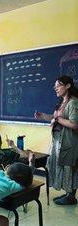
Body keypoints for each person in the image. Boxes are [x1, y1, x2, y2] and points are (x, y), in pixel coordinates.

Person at [35, 75, 78, 205]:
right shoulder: (62, 102)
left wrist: (58, 119)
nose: (56, 88)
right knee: (63, 167)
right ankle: (68, 193)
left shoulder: (73, 102)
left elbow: (74, 124)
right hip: (58, 141)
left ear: (68, 86)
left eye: (58, 85)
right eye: (55, 86)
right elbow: (56, 119)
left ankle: (71, 196)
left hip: (69, 142)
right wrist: (43, 116)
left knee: (70, 167)